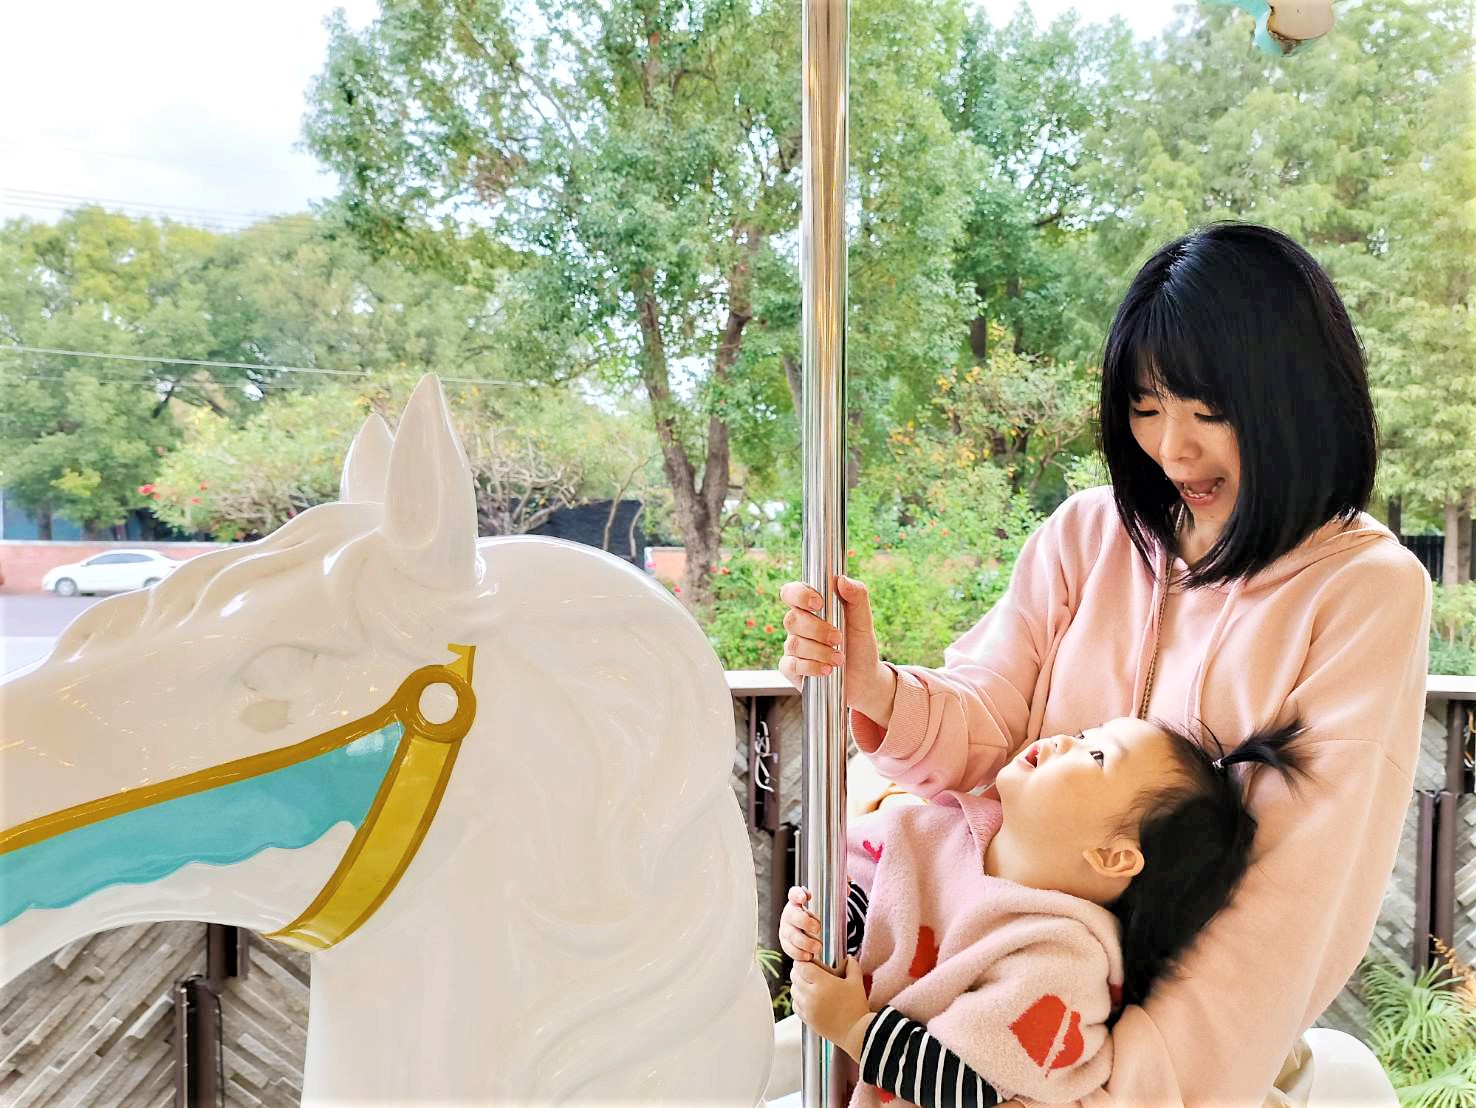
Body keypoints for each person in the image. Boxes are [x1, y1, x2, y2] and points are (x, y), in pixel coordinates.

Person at [777, 222, 1432, 1106]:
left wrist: (1118, 1092)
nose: (1172, 448)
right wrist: (875, 686)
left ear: (1296, 400)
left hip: (1158, 1073)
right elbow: (993, 722)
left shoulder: (1362, 590)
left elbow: (1290, 906)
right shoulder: (1089, 532)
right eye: (1146, 406)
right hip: (959, 1014)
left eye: (1209, 411)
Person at [778, 715, 1307, 1107]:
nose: (1063, 739)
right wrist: (813, 930)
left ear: (1113, 856)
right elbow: (867, 915)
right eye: (1084, 733)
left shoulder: (1061, 954)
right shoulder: (931, 834)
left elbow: (968, 1083)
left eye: (1096, 756)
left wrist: (854, 1027)